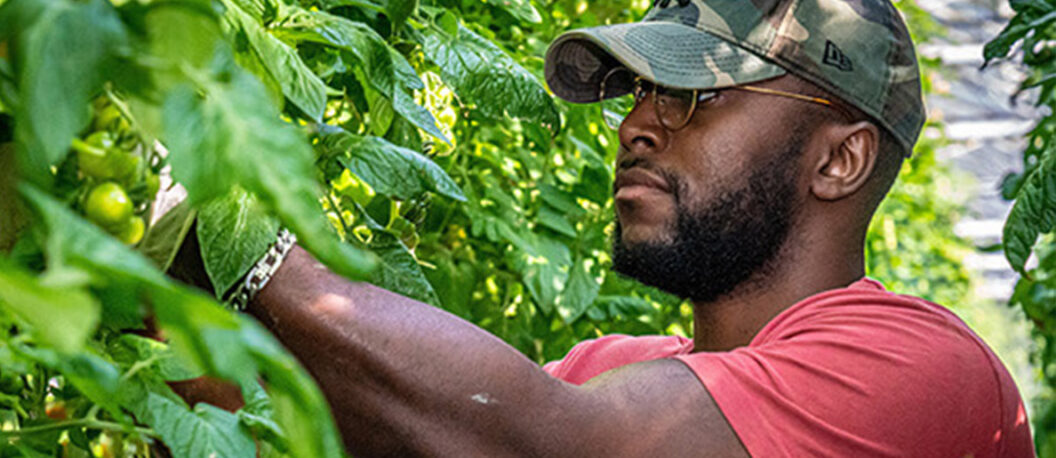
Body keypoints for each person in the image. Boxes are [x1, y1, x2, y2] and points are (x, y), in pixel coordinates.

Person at [170, 0, 1035, 455]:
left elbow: (537, 445)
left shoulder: (921, 369)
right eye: (638, 95)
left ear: (839, 160)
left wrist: (231, 236)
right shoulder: (607, 370)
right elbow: (343, 425)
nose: (634, 127)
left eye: (691, 95)